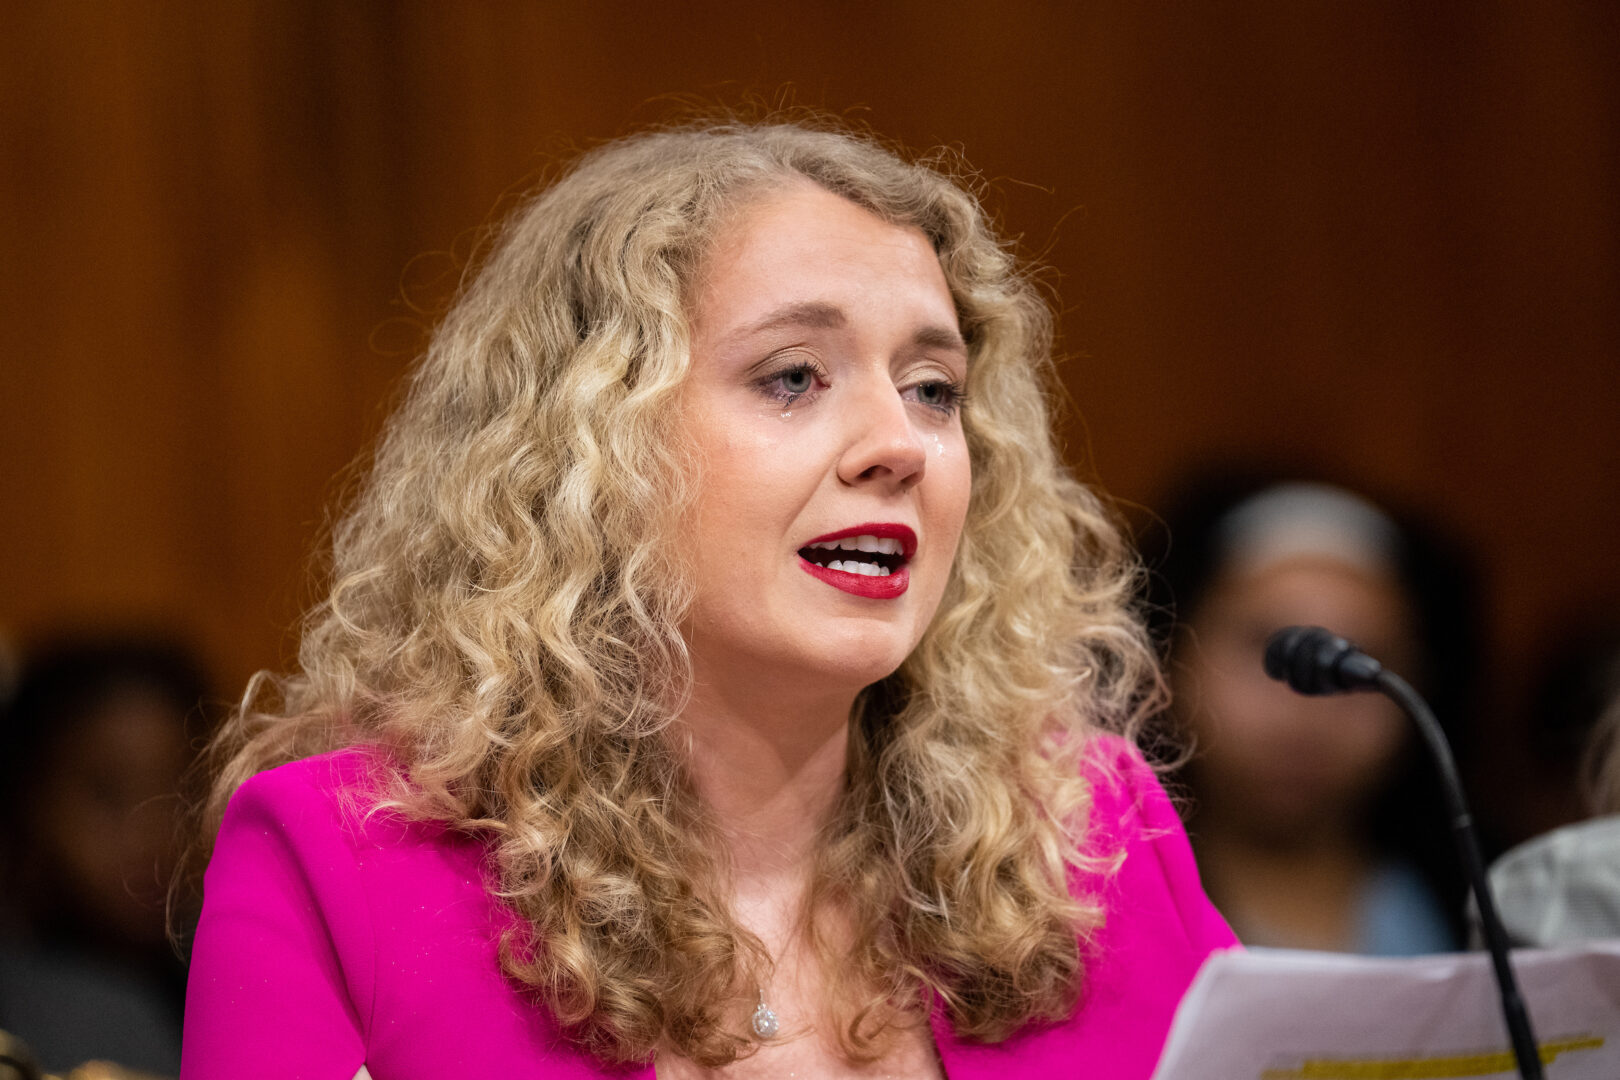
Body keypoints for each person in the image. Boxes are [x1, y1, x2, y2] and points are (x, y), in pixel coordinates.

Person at [180, 119, 1237, 1079]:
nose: (898, 447)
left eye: (933, 389)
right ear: (591, 448)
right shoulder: (338, 864)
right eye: (793, 377)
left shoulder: (1096, 833)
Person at [1143, 471, 1477, 956]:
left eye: (1359, 661)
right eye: (1267, 647)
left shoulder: (1464, 904)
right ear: (1168, 662)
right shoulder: (1100, 909)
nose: (1308, 707)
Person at [0, 636, 204, 1076]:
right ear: (27, 798)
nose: (152, 835)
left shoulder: (222, 968)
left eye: (180, 794)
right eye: (107, 795)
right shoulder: (36, 1011)